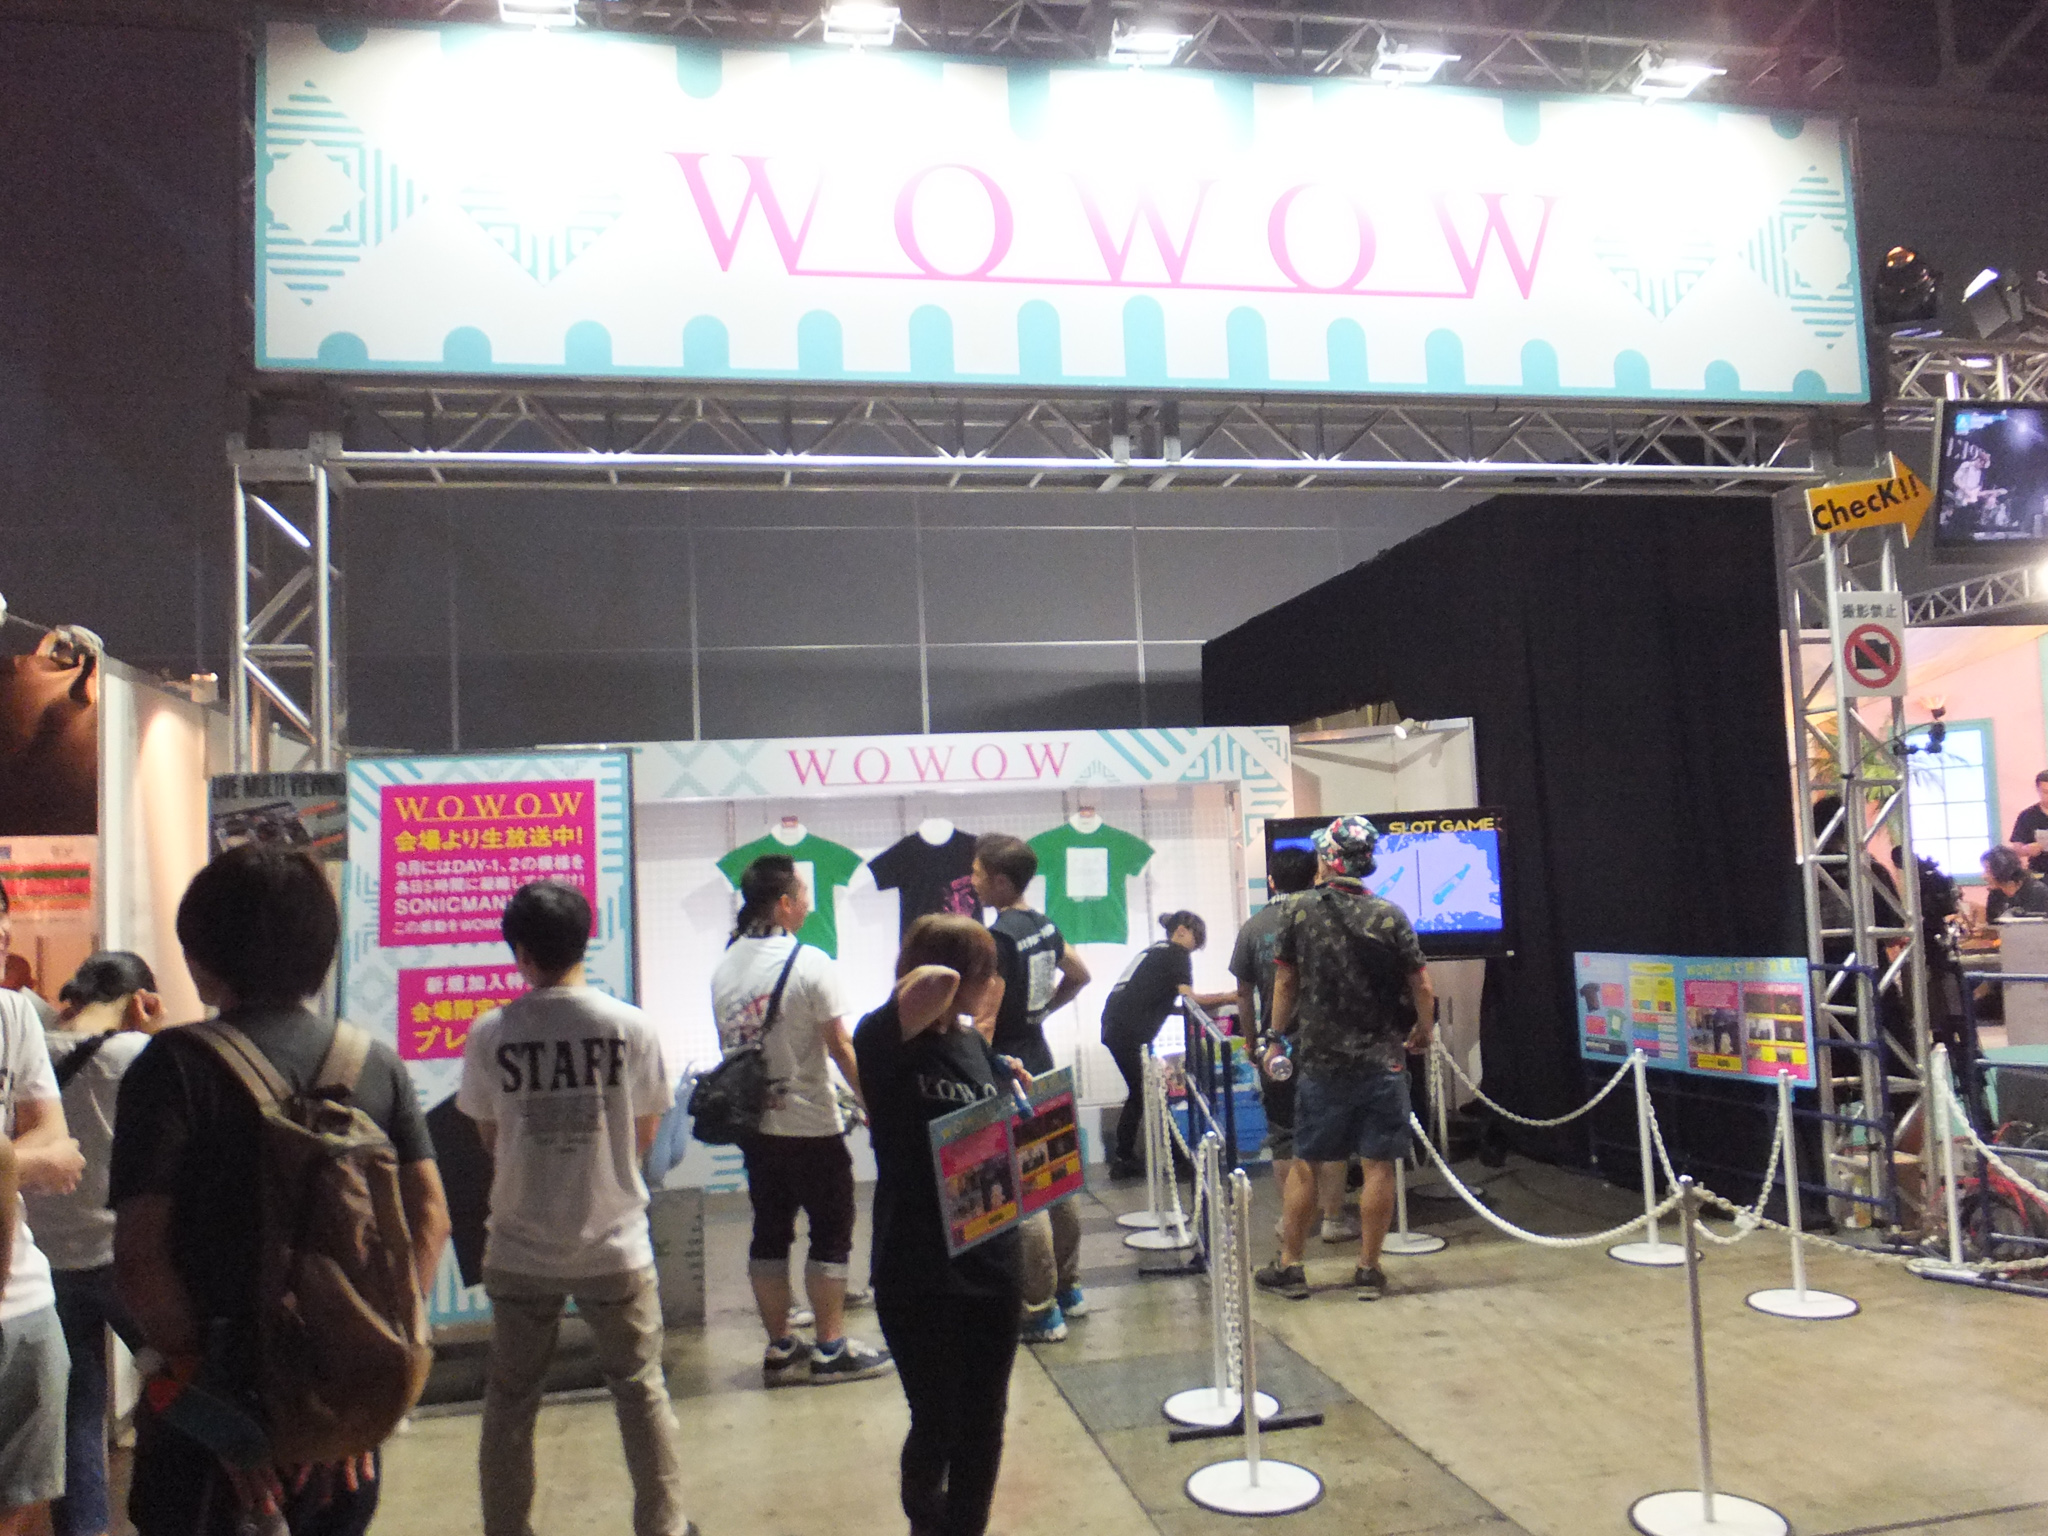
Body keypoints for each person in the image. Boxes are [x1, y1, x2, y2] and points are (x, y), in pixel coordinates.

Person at [109, 845, 451, 1536]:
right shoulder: (376, 1066)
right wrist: (364, 1384)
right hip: (343, 1426)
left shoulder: (172, 1067)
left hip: (210, 1428)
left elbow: (141, 1257)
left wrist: (215, 1409)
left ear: (203, 956)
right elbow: (432, 1218)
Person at [456, 881, 694, 1536]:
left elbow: (489, 1137)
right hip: (615, 1244)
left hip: (518, 1248)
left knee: (510, 1402)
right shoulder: (630, 1027)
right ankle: (664, 1525)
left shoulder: (491, 1033)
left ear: (521, 952)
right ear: (586, 939)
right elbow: (646, 1133)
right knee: (640, 1390)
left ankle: (508, 1529)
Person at [854, 915, 1030, 1536]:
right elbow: (934, 981)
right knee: (937, 1418)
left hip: (992, 1258)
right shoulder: (882, 1039)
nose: (991, 986)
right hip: (918, 1265)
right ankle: (927, 1519)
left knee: (984, 1420)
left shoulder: (974, 1044)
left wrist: (1008, 1084)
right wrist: (954, 967)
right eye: (984, 974)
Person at [710, 854, 890, 1386]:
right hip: (811, 1124)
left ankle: (781, 1346)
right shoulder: (810, 962)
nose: (809, 906)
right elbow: (840, 1046)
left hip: (754, 1127)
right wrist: (875, 1105)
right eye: (804, 897)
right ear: (785, 903)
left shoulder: (725, 966)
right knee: (831, 1232)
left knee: (769, 1230)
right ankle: (831, 1349)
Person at [1254, 817, 1435, 1303]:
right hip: (1383, 1062)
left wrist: (1274, 1037)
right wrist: (1424, 1029)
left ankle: (1291, 1266)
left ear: (1329, 858)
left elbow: (1285, 982)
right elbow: (1422, 984)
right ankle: (1368, 1270)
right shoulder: (1390, 915)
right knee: (1378, 1167)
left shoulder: (1298, 910)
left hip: (1321, 1063)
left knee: (1307, 1165)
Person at [30, 953, 166, 1536]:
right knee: (179, 1385)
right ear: (141, 1001)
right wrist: (156, 1033)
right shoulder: (139, 1054)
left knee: (78, 1415)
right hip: (125, 1262)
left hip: (49, 1266)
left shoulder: (30, 1051)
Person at [970, 834, 1090, 1344]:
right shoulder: (1044, 925)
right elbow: (1080, 974)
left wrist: (970, 1070)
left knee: (1023, 1194)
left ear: (1000, 880)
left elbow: (985, 1020)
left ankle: (1040, 1311)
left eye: (977, 874)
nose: (972, 882)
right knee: (1057, 1177)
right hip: (1042, 1061)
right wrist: (1041, 1013)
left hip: (1008, 1072)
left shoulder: (997, 938)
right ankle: (1069, 1289)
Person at [0, 881, 88, 1536]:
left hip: (24, 1298)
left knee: (20, 1506)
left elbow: (57, 1134)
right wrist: (23, 1164)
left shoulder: (13, 1014)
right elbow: (47, 1153)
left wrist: (14, 1161)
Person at [1231, 848, 1355, 1241]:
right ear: (1314, 877)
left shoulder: (1253, 928)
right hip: (1329, 1042)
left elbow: (1243, 994)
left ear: (1271, 881)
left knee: (1283, 1135)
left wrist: (1252, 1043)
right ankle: (1333, 1220)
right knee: (1332, 1132)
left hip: (1277, 1047)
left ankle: (1293, 1222)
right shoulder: (1330, 919)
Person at [1099, 911, 1237, 1180]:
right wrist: (1230, 996)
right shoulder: (1176, 953)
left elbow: (1154, 1001)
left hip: (1116, 1026)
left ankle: (1125, 1158)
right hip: (1129, 1032)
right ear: (1182, 931)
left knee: (1141, 1093)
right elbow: (1190, 1000)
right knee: (1151, 1094)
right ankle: (1178, 1161)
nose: (1193, 951)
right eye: (1196, 942)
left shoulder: (1155, 951)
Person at [1981, 845, 2048, 924]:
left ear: (2002, 870)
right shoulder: (1995, 894)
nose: (1983, 876)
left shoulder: (2037, 892)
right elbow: (1992, 925)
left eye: (1988, 871)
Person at [2009, 770, 2048, 876]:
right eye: (2046, 792)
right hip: (2040, 873)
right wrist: (2026, 850)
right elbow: (2017, 847)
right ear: (2038, 790)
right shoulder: (2027, 815)